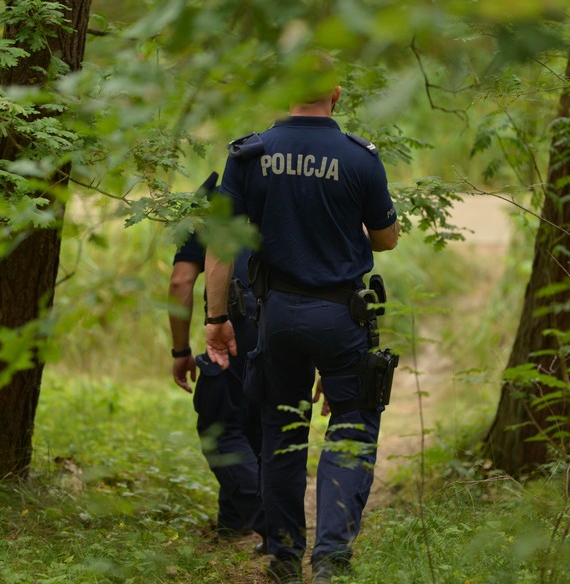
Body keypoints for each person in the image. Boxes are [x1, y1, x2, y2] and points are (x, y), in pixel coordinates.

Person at [203, 58, 400, 584]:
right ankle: (332, 560)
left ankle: (284, 558)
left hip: (276, 315)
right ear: (335, 95)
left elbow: (221, 245)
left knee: (281, 432)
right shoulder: (360, 158)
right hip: (342, 314)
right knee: (352, 428)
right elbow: (385, 238)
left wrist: (215, 318)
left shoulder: (250, 154)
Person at [168, 173, 264, 545]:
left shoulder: (210, 199)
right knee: (261, 420)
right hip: (289, 318)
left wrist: (180, 351)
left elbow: (180, 282)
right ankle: (232, 524)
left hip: (232, 324)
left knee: (220, 425)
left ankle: (272, 525)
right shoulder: (291, 190)